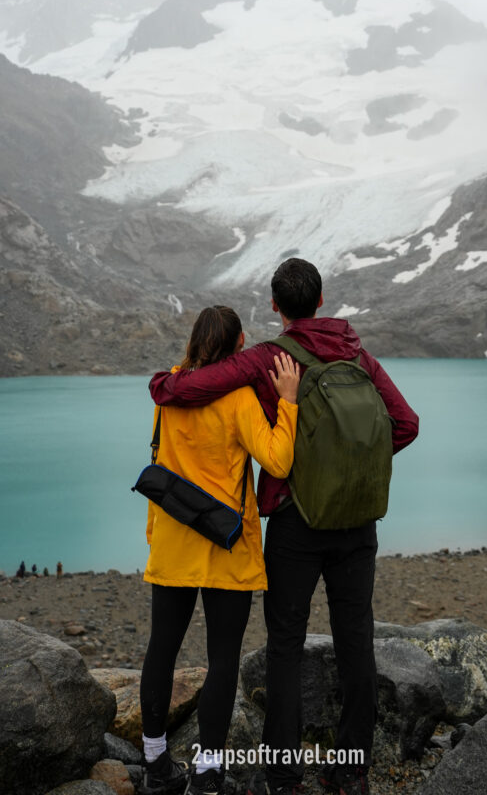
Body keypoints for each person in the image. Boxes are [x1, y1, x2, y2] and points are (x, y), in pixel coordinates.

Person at [150, 259, 419, 795]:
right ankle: (351, 772)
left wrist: (163, 385)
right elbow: (406, 424)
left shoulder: (269, 358)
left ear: (276, 306)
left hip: (296, 523)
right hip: (357, 524)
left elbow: (201, 384)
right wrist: (347, 473)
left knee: (286, 646)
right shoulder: (358, 354)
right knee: (356, 641)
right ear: (321, 301)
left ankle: (283, 776)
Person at [141, 305, 300, 795]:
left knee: (161, 651)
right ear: (238, 346)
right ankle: (208, 773)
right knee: (223, 659)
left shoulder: (169, 389)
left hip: (172, 539)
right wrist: (288, 401)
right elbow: (277, 457)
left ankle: (154, 763)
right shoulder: (238, 397)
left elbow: (158, 456)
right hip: (225, 546)